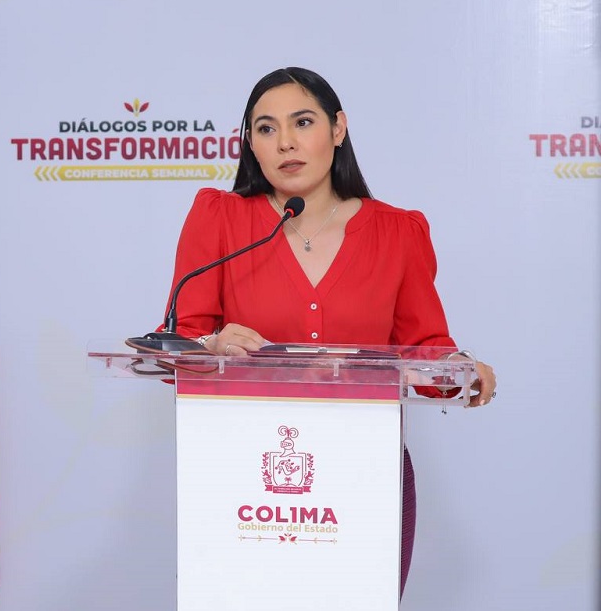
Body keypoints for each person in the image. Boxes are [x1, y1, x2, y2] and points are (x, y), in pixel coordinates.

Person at [163, 66, 496, 597]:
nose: (285, 142)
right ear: (249, 143)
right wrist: (211, 345)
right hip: (242, 478)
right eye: (266, 128)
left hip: (367, 473)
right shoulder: (219, 219)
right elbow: (174, 341)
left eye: (303, 122)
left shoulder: (397, 232)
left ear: (338, 128)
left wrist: (459, 370)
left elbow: (426, 347)